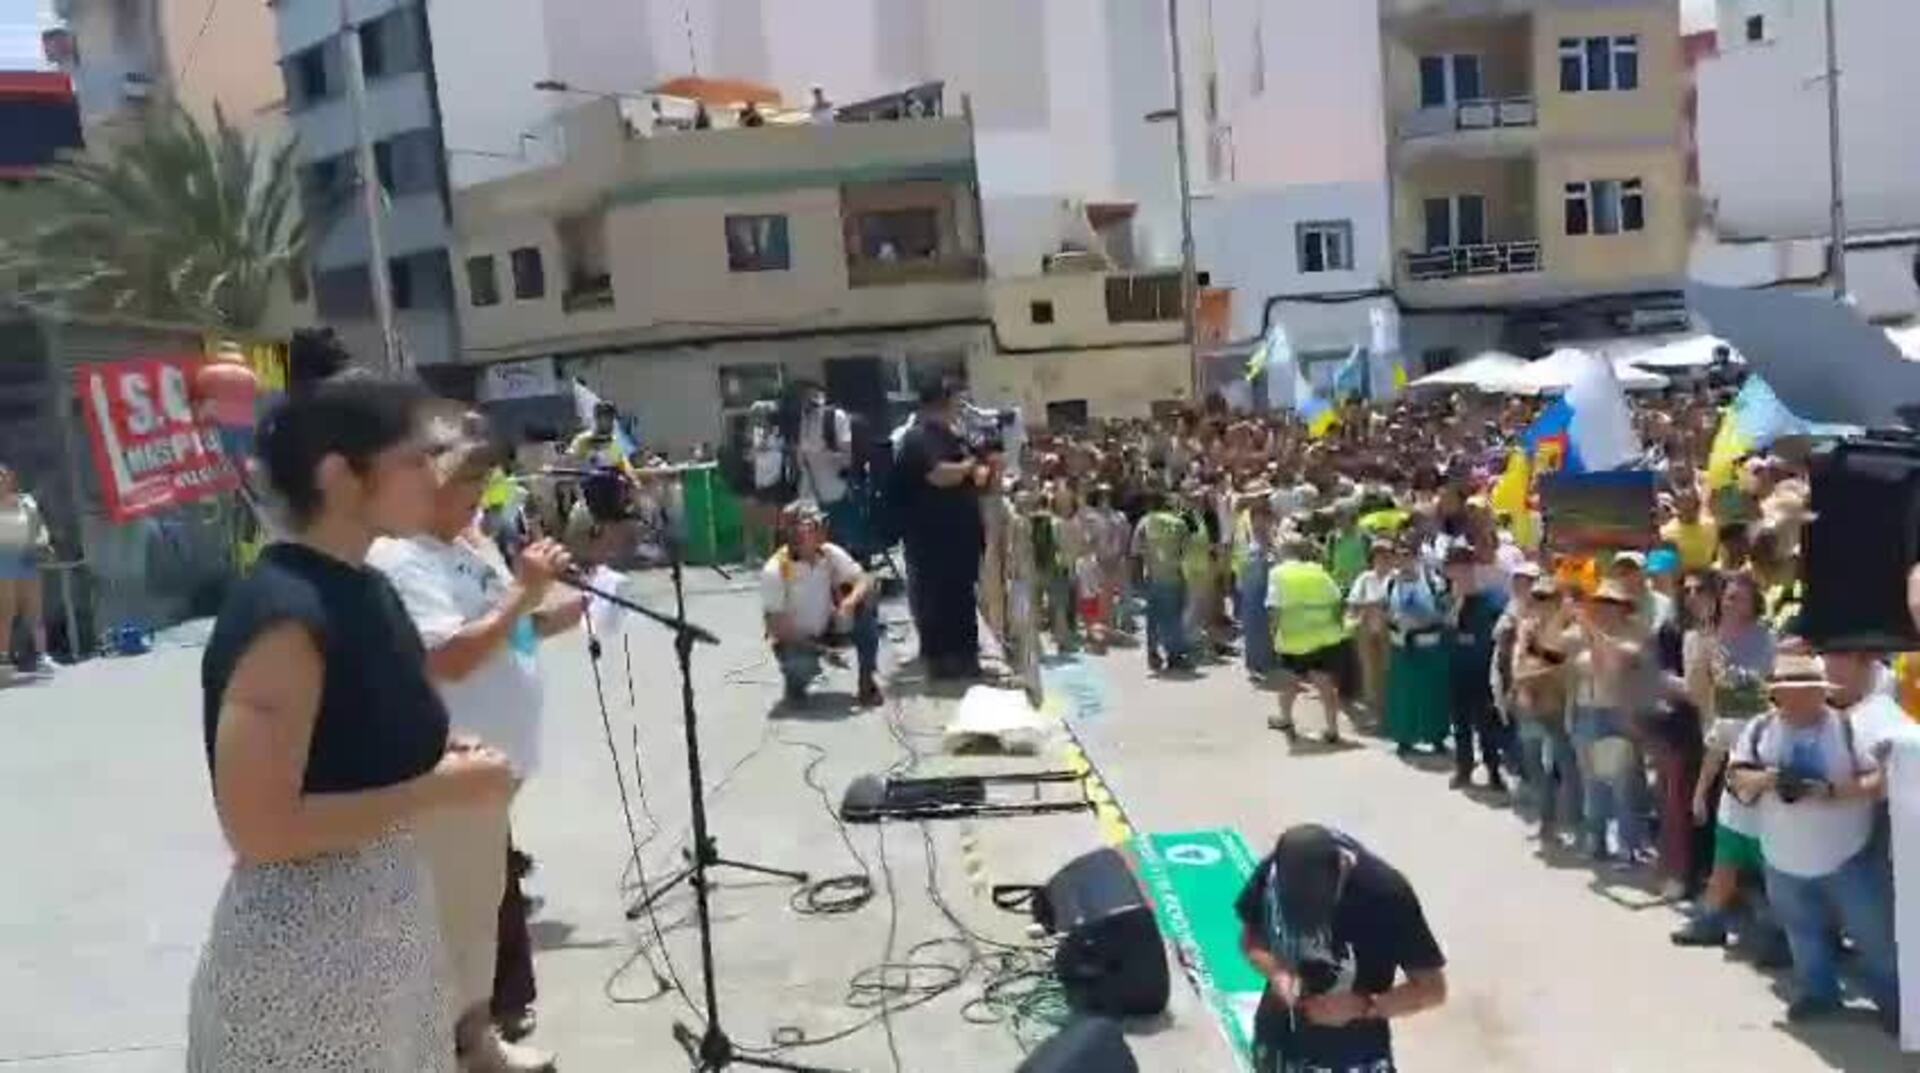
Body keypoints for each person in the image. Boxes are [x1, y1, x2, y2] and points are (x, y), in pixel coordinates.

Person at [189, 375, 515, 1071]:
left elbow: (363, 737)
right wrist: (438, 788)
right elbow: (261, 828)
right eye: (414, 459)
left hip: (390, 940)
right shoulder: (285, 614)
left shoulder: (368, 589)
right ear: (339, 476)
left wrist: (438, 754)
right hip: (307, 961)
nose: (435, 476)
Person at [369, 410, 580, 1072]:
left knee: (478, 917)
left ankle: (477, 1041)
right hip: (449, 770)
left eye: (485, 479)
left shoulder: (464, 545)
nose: (480, 494)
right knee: (450, 923)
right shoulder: (400, 559)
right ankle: (447, 1049)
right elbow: (450, 657)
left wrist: (548, 614)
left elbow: (501, 627)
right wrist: (523, 593)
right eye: (469, 479)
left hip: (492, 775)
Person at [1726, 653, 1898, 1032]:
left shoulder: (1851, 727)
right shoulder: (1759, 729)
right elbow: (1737, 777)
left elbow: (1881, 780)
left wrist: (1830, 791)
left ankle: (1896, 1004)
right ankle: (1819, 994)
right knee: (1802, 932)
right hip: (1783, 857)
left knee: (1875, 938)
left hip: (1849, 855)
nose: (1796, 699)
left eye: (1806, 691)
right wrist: (1770, 779)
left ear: (1822, 692)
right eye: (1788, 692)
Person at [1235, 824, 1448, 1073]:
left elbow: (1432, 989)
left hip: (1355, 1049)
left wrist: (1364, 1006)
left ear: (1343, 870)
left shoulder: (1387, 897)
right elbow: (1250, 939)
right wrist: (1277, 973)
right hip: (1280, 1032)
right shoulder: (1278, 868)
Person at [1673, 572, 1780, 948]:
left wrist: (1730, 678)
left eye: (1739, 598)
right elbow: (1696, 692)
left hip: (1759, 746)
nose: (1731, 604)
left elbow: (1762, 689)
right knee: (1726, 838)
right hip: (1718, 738)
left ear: (1754, 604)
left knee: (1758, 846)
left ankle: (1766, 926)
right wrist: (1702, 659)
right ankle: (1718, 917)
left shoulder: (1767, 640)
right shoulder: (1703, 638)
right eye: (1728, 597)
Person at [891, 378, 991, 680]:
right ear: (941, 402)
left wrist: (983, 466)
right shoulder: (918, 438)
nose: (961, 406)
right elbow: (938, 475)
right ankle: (940, 660)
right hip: (931, 537)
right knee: (935, 599)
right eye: (957, 400)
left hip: (962, 534)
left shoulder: (956, 437)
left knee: (962, 597)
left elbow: (979, 476)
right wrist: (969, 467)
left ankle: (966, 656)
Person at [761, 502, 882, 707]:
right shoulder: (775, 570)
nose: (822, 530)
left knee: (866, 608)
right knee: (800, 666)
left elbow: (865, 579)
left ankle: (867, 681)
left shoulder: (828, 553)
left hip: (828, 627)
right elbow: (778, 628)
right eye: (813, 527)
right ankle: (796, 683)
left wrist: (848, 603)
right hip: (797, 640)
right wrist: (823, 651)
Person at [1511, 575, 1579, 845]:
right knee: (1535, 767)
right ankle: (1546, 822)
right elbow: (1519, 666)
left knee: (1566, 767)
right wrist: (1538, 670)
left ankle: (1575, 824)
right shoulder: (1527, 628)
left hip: (1559, 709)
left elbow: (1565, 670)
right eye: (1537, 597)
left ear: (1559, 601)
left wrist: (1533, 672)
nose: (1541, 603)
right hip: (1530, 706)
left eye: (1547, 598)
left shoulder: (1569, 632)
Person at [1267, 538, 1351, 744]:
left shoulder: (1279, 573)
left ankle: (1285, 719)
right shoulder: (1319, 572)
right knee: (1325, 684)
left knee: (1289, 682)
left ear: (1284, 553)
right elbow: (1337, 599)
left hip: (1295, 639)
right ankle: (1332, 729)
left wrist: (1273, 633)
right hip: (1326, 636)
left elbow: (1275, 607)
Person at [1444, 545, 1506, 792]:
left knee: (1486, 724)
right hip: (1456, 669)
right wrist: (1457, 604)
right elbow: (1446, 631)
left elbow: (1497, 633)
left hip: (1483, 672)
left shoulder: (1491, 599)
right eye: (1453, 567)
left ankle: (1493, 770)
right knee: (1460, 723)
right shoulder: (1448, 600)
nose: (1459, 573)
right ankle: (1464, 768)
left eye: (1463, 566)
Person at [1385, 542, 1451, 756]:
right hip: (1401, 646)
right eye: (1400, 556)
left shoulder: (1433, 582)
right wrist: (1394, 620)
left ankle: (1436, 737)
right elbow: (1384, 610)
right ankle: (1404, 738)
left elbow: (1445, 611)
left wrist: (1425, 620)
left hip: (1429, 645)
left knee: (1433, 693)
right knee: (1404, 694)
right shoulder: (1391, 582)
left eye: (1409, 556)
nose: (1404, 561)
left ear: (1417, 558)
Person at [1132, 488, 1192, 672]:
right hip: (1174, 576)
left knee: (1153, 618)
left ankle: (1153, 653)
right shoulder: (1179, 522)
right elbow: (1188, 550)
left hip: (1152, 577)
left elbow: (1135, 551)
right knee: (1172, 618)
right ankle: (1174, 655)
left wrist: (1137, 578)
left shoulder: (1144, 522)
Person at [0, 464, 52, 671]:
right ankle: (3, 658)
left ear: (10, 478)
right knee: (6, 611)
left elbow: (40, 527)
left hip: (26, 559)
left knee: (35, 611)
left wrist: (43, 542)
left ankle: (42, 655)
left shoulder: (26, 501)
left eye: (3, 476)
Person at [1345, 541, 1393, 721]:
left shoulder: (1396, 577)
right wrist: (1372, 604)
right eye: (1378, 555)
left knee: (1388, 670)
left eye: (1386, 555)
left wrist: (1379, 605)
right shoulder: (1365, 578)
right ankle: (1372, 711)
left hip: (1389, 630)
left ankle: (1388, 711)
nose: (1383, 559)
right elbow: (1353, 603)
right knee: (1369, 671)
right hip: (1366, 628)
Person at [1661, 484, 1718, 572]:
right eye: (1685, 509)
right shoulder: (1665, 532)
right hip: (1680, 577)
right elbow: (1665, 566)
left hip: (1708, 575)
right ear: (1677, 508)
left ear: (1698, 505)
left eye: (1694, 507)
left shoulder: (1712, 526)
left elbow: (1717, 556)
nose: (1689, 511)